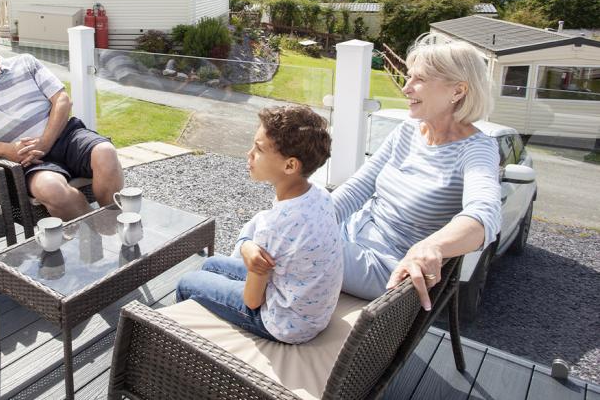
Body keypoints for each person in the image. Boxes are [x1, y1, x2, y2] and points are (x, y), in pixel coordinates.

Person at [332, 36, 501, 310]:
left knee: (279, 236)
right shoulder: (408, 130)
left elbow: (484, 217)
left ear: (457, 91)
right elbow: (359, 187)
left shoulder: (477, 150)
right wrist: (314, 215)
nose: (406, 88)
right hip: (350, 237)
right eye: (408, 77)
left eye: (418, 79)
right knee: (274, 225)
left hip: (382, 264)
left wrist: (431, 246)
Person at [176, 105, 342, 344]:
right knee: (211, 264)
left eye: (259, 149)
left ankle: (186, 348)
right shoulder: (321, 196)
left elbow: (252, 301)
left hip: (284, 323)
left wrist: (247, 247)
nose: (249, 153)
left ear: (290, 165)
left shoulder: (274, 226)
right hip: (314, 313)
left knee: (186, 283)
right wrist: (246, 247)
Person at [0, 21, 123, 221]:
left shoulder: (25, 62)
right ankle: (102, 232)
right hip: (26, 158)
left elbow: (62, 100)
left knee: (105, 153)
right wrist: (7, 150)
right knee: (52, 189)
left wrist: (45, 142)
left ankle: (115, 223)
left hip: (63, 137)